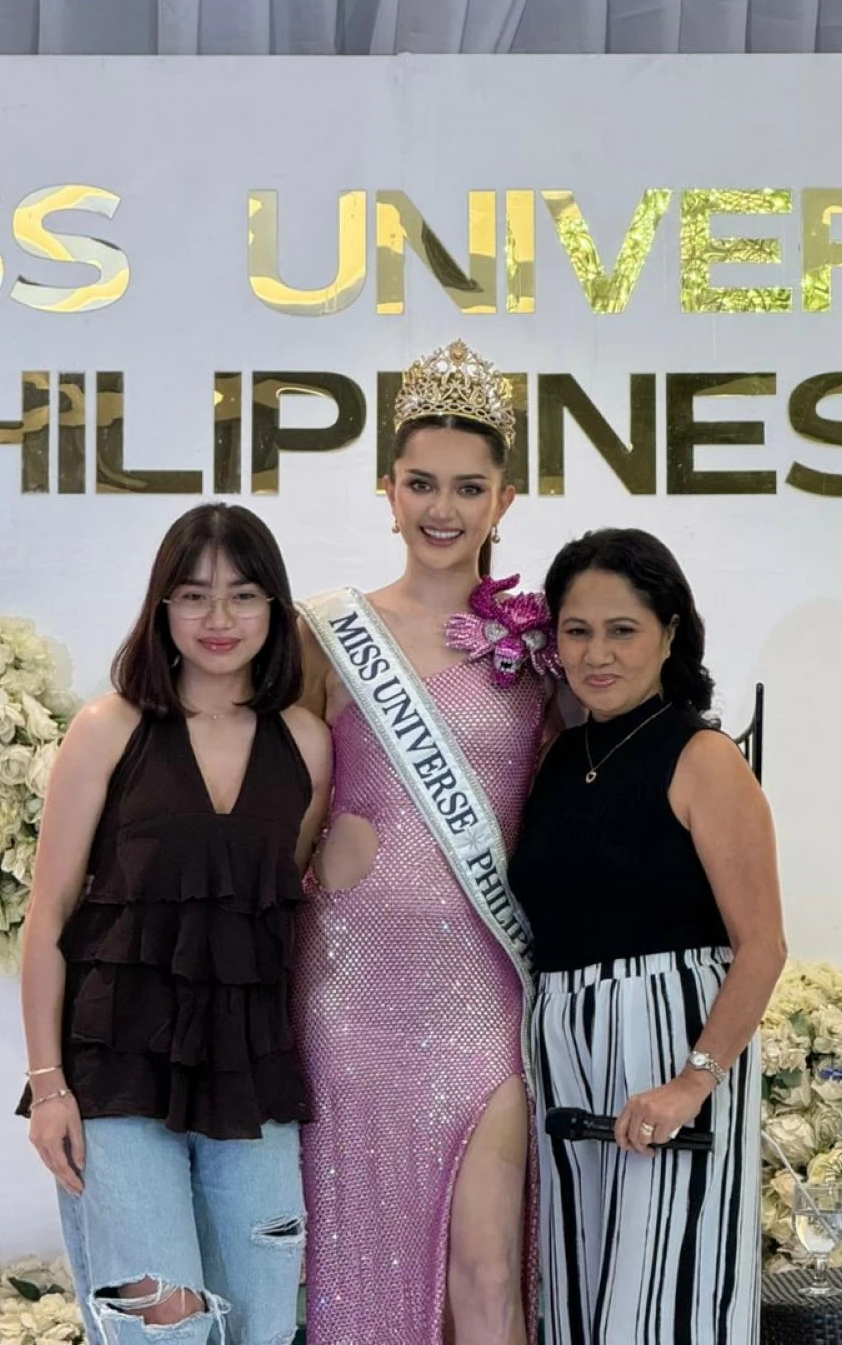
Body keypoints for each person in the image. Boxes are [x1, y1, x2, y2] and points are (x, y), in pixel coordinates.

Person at [293, 339, 557, 1345]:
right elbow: (284, 797)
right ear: (387, 491)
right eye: (419, 484)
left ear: (505, 500)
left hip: (485, 991)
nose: (440, 508)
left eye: (467, 486)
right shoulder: (326, 632)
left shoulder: (539, 643)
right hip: (347, 991)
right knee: (353, 1253)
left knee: (487, 1273)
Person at [18, 503, 330, 1345]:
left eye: (244, 596)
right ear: (162, 607)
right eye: (194, 596)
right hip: (117, 1067)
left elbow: (274, 903)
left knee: (262, 1310)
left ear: (277, 609)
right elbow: (47, 919)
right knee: (162, 1318)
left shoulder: (305, 741)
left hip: (250, 1069)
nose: (219, 620)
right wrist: (49, 1087)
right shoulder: (108, 727)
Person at [508, 527, 785, 1345]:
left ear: (669, 632)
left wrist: (692, 1081)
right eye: (577, 630)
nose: (598, 653)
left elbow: (762, 946)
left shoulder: (703, 757)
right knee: (578, 1301)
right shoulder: (559, 756)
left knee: (667, 1302)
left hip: (669, 1039)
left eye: (623, 630)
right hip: (562, 1048)